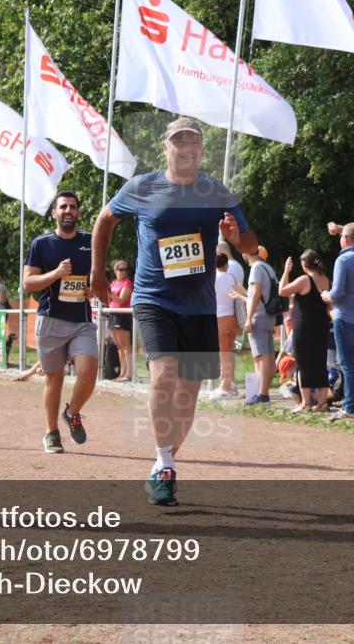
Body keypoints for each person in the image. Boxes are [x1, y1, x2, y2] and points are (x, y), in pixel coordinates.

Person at [90, 116, 258, 506]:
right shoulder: (142, 187)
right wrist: (97, 270)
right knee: (164, 375)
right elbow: (104, 220)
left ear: (202, 150)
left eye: (194, 142)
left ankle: (163, 463)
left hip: (200, 305)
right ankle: (165, 464)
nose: (187, 148)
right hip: (154, 299)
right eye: (179, 142)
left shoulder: (215, 191)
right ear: (165, 147)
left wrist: (237, 238)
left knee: (188, 393)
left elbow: (251, 243)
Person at [24, 191, 98, 454]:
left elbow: (99, 279)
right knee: (54, 379)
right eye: (63, 207)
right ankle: (52, 432)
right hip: (50, 320)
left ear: (79, 212)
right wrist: (56, 274)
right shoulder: (41, 244)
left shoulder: (90, 241)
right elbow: (28, 283)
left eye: (73, 207)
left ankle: (72, 412)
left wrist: (94, 288)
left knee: (88, 372)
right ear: (54, 212)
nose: (68, 211)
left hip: (81, 321)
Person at [321, 223, 354, 421]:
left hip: (344, 317)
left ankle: (350, 407)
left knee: (347, 363)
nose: (339, 238)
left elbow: (337, 293)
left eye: (341, 236)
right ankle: (351, 404)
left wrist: (325, 296)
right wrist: (342, 228)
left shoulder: (342, 260)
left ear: (346, 239)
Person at [279, 250, 332, 413]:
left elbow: (282, 291)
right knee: (320, 363)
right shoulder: (325, 280)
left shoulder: (304, 280)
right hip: (321, 326)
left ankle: (306, 402)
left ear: (304, 265)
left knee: (303, 364)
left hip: (305, 326)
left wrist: (286, 271)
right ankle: (322, 402)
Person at [244, 246, 278, 405]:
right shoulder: (268, 268)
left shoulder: (256, 268)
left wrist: (249, 317)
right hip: (269, 316)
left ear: (247, 253)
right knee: (269, 356)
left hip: (259, 316)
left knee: (261, 357)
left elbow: (256, 293)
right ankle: (263, 392)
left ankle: (262, 395)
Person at [210, 253, 239, 399]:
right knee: (229, 351)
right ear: (226, 264)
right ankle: (231, 383)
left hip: (219, 317)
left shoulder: (212, 278)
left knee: (223, 353)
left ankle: (225, 385)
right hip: (232, 317)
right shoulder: (231, 277)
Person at [108, 259, 135, 382]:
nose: (124, 272)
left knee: (125, 345)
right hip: (113, 314)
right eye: (121, 269)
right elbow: (109, 300)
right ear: (115, 271)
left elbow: (121, 300)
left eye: (126, 269)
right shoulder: (113, 283)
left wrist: (108, 292)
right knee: (119, 346)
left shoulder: (127, 283)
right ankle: (122, 372)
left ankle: (129, 374)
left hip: (122, 315)